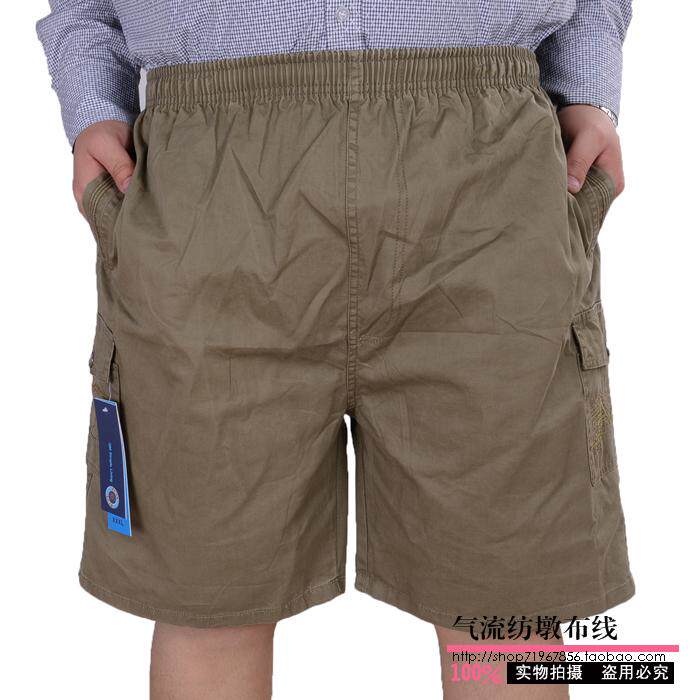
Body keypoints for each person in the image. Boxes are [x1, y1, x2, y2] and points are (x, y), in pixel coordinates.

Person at [37, 2, 634, 698]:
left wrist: (589, 90)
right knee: (210, 604)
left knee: (503, 613)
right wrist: (93, 108)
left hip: (489, 179)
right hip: (208, 184)